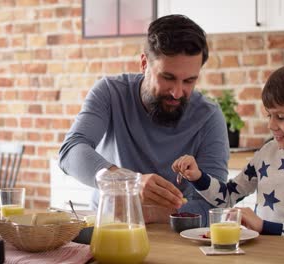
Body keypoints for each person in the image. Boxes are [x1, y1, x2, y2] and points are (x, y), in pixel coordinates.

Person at [58, 14, 229, 225]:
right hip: (110, 226)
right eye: (167, 77)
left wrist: (146, 213)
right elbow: (71, 151)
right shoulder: (110, 93)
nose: (177, 92)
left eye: (189, 81)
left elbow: (216, 203)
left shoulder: (209, 117)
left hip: (174, 235)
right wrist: (129, 183)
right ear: (144, 64)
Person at [172, 63, 284, 240]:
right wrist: (197, 176)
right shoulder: (268, 152)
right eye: (269, 115)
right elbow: (227, 196)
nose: (271, 125)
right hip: (264, 255)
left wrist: (264, 227)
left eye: (281, 117)